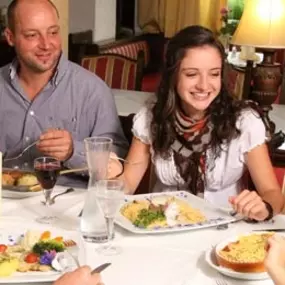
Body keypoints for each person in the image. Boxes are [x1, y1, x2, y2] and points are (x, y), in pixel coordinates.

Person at [110, 25, 284, 220]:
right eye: (192, 74)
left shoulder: (244, 121)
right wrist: (112, 177)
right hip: (163, 229)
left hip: (225, 234)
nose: (204, 85)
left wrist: (264, 207)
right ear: (173, 76)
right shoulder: (150, 117)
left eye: (214, 74)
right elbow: (126, 186)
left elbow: (273, 194)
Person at [0, 0, 128, 187]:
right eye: (32, 35)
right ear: (10, 37)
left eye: (53, 32)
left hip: (69, 210)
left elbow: (118, 166)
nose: (46, 44)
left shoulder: (92, 90)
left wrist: (73, 152)